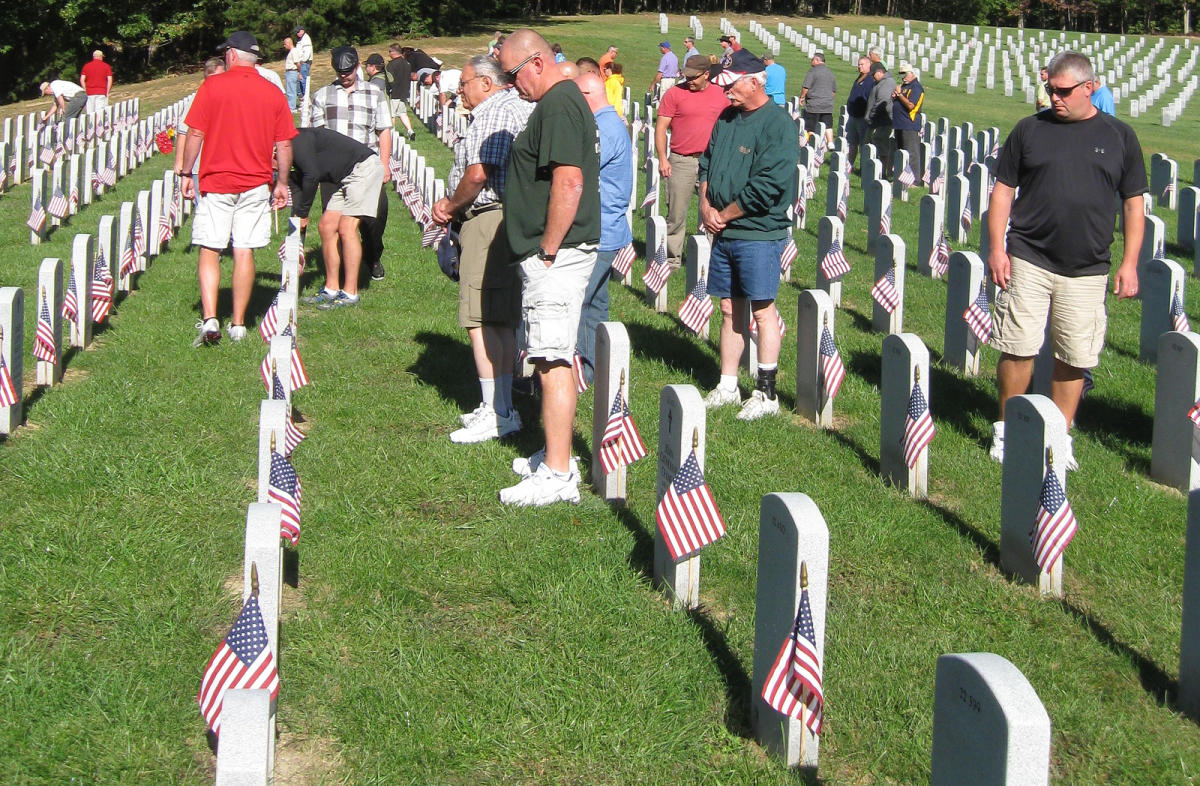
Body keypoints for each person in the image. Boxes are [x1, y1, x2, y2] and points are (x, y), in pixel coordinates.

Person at [986, 51, 1146, 469]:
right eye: (1050, 90)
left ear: (1090, 87)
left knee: (1074, 355)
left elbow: (1133, 203)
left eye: (1063, 91)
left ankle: (1059, 435)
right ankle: (1008, 429)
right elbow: (1003, 189)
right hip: (1028, 257)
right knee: (1018, 347)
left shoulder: (1120, 136)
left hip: (1087, 267)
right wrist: (997, 249)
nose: (1054, 98)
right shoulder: (1029, 130)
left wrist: (1129, 263)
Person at [496, 29, 601, 506]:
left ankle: (558, 475)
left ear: (535, 62)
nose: (510, 84)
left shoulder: (558, 103)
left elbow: (570, 182)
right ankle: (552, 452)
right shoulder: (559, 100)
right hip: (554, 254)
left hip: (557, 256)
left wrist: (548, 248)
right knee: (546, 353)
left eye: (512, 74)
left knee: (553, 358)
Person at [429, 55, 533, 444]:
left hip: (488, 217)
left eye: (466, 83)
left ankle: (498, 413)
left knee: (480, 319)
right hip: (504, 218)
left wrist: (450, 207)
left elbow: (478, 173)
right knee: (499, 318)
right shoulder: (512, 107)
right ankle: (499, 406)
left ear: (487, 83)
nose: (460, 90)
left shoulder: (493, 112)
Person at [178, 32, 296, 346]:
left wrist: (186, 172)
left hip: (217, 180)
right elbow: (284, 144)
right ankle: (240, 324)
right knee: (244, 249)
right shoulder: (272, 92)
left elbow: (194, 135)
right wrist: (282, 183)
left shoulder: (212, 86)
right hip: (256, 182)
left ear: (231, 55)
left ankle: (210, 318)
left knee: (210, 247)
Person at [700, 50, 799, 421]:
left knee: (762, 308)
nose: (726, 92)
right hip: (723, 229)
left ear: (755, 81)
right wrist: (706, 206)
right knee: (728, 308)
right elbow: (707, 162)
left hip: (757, 231)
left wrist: (724, 215)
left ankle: (766, 391)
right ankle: (728, 384)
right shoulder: (727, 118)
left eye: (732, 84)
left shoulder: (777, 125)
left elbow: (769, 184)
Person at [309, 45, 393, 295]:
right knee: (332, 224)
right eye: (340, 71)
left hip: (365, 167)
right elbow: (317, 136)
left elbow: (384, 130)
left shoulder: (374, 93)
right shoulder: (322, 95)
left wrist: (385, 164)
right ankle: (341, 277)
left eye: (348, 70)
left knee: (374, 219)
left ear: (357, 66)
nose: (344, 75)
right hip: (334, 172)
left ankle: (373, 254)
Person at [289, 127, 384, 316]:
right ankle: (331, 289)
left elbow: (312, 176)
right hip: (346, 176)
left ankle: (350, 293)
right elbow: (298, 184)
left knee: (347, 228)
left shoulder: (296, 142)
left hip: (363, 168)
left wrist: (304, 213)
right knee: (326, 226)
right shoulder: (288, 152)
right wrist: (298, 216)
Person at [575, 70, 632, 386]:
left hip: (600, 228)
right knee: (596, 300)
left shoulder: (603, 129)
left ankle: (585, 370)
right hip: (608, 227)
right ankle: (599, 366)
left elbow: (583, 172)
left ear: (587, 95)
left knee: (581, 300)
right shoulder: (610, 123)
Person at [656, 54, 730, 269]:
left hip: (713, 162)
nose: (689, 80)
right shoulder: (674, 94)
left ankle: (710, 259)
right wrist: (663, 159)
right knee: (676, 212)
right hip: (682, 160)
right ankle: (672, 259)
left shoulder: (721, 96)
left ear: (707, 74)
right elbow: (661, 128)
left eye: (694, 77)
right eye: (686, 75)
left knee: (713, 211)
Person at [174, 57, 226, 204]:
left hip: (226, 165)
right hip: (201, 165)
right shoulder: (199, 97)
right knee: (204, 211)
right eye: (212, 78)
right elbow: (185, 131)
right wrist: (180, 162)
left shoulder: (230, 96)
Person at [891, 62, 924, 182]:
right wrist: (895, 96)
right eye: (901, 74)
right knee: (901, 153)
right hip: (899, 123)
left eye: (904, 74)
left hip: (909, 124)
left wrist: (899, 95)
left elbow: (911, 105)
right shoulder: (904, 86)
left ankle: (915, 180)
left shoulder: (916, 87)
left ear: (912, 73)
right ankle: (901, 179)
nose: (903, 77)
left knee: (911, 153)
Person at [799, 51, 836, 146]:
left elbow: (806, 87)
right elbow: (834, 91)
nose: (811, 61)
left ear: (817, 60)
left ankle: (811, 143)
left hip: (814, 104)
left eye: (812, 59)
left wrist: (802, 97)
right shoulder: (830, 73)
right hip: (827, 104)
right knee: (828, 124)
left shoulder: (812, 71)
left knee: (811, 126)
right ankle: (830, 142)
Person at [865, 62, 896, 176]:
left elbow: (882, 101)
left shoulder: (887, 83)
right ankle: (873, 171)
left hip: (882, 121)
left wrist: (871, 116)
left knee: (881, 145)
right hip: (877, 120)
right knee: (874, 145)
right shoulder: (880, 82)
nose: (872, 77)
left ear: (880, 72)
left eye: (873, 75)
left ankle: (882, 172)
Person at [844, 55, 873, 172]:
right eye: (859, 64)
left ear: (869, 65)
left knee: (863, 144)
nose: (859, 66)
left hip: (862, 117)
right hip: (853, 116)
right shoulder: (859, 78)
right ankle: (849, 165)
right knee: (851, 143)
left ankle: (863, 168)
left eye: (862, 64)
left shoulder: (870, 80)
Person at [385, 44, 417, 139]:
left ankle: (392, 134)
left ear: (394, 52)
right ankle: (410, 131)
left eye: (390, 51)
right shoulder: (407, 64)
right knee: (403, 113)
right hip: (404, 92)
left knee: (392, 114)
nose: (389, 53)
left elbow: (389, 79)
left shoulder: (391, 65)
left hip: (394, 92)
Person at [294, 25, 313, 95]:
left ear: (302, 31)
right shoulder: (301, 39)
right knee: (300, 79)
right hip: (301, 62)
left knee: (303, 80)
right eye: (296, 32)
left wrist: (302, 61)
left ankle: (306, 96)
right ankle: (302, 95)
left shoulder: (306, 39)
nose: (297, 33)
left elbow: (307, 52)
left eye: (298, 32)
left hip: (304, 63)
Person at [283, 38, 301, 111]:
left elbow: (298, 63)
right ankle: (292, 106)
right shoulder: (291, 52)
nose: (284, 46)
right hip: (290, 72)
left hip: (292, 72)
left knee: (291, 90)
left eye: (285, 44)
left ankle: (292, 108)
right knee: (291, 89)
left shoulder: (294, 51)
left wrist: (299, 72)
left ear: (289, 43)